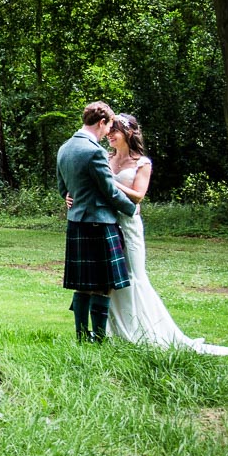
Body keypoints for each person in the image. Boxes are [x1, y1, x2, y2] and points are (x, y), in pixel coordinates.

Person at [105, 114, 228, 355]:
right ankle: (117, 333)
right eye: (109, 130)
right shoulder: (107, 158)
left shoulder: (141, 162)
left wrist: (108, 183)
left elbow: (138, 195)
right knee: (113, 279)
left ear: (129, 133)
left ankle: (147, 331)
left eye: (115, 131)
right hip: (108, 223)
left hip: (129, 225)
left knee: (134, 276)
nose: (110, 134)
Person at [58, 101, 139, 342]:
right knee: (104, 283)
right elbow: (109, 191)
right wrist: (132, 209)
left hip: (76, 221)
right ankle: (100, 337)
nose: (108, 133)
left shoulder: (65, 148)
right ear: (101, 122)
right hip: (99, 222)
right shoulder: (94, 151)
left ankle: (83, 336)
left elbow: (63, 189)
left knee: (83, 283)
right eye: (108, 127)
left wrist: (70, 198)